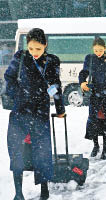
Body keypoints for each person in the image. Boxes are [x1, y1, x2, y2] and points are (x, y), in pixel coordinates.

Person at [4, 28, 65, 200]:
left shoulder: (52, 61)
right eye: (31, 49)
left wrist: (60, 108)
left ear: (45, 45)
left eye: (38, 49)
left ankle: (44, 190)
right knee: (17, 151)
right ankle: (18, 192)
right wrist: (17, 95)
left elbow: (55, 85)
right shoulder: (20, 57)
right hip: (20, 112)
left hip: (40, 111)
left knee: (42, 152)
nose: (34, 53)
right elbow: (9, 78)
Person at [79, 37, 106, 160]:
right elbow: (84, 72)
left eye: (100, 50)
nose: (98, 52)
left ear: (105, 49)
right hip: (95, 95)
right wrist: (82, 82)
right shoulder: (90, 58)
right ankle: (96, 145)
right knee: (94, 122)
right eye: (96, 50)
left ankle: (105, 148)